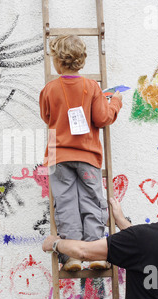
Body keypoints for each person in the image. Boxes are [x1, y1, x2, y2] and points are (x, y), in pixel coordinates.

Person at [42, 169, 158, 299]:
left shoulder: (142, 239)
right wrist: (120, 220)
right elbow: (151, 248)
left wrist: (55, 244)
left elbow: (83, 251)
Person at [39, 34, 123, 271]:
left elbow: (46, 117)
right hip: (87, 157)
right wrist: (114, 102)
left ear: (56, 62)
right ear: (82, 61)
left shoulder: (49, 89)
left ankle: (73, 256)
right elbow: (102, 118)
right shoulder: (92, 87)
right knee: (92, 201)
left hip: (59, 157)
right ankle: (96, 252)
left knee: (65, 203)